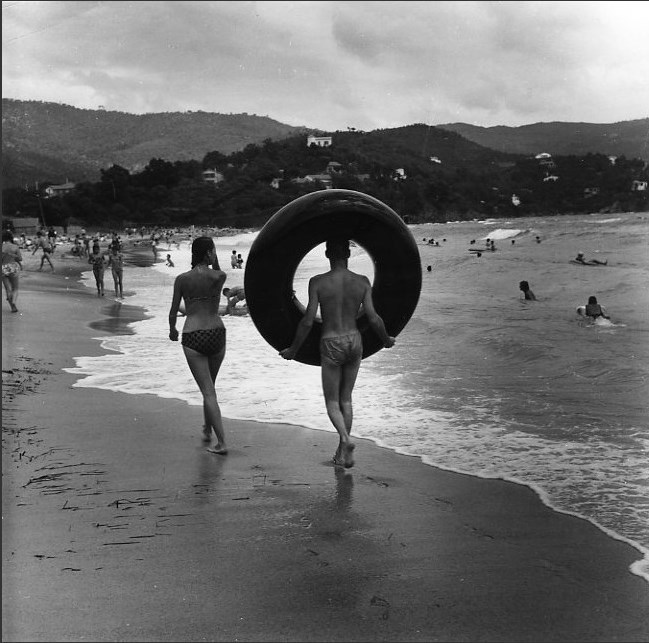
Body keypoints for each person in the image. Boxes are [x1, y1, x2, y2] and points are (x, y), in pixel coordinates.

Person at [279, 238, 395, 469]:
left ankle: (345, 439)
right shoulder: (362, 281)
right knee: (346, 399)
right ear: (348, 255)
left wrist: (293, 349)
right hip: (354, 340)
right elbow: (373, 317)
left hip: (331, 342)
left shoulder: (317, 282)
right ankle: (343, 454)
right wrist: (386, 339)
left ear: (327, 255)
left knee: (332, 402)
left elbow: (308, 320)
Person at [168, 236, 228, 455]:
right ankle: (207, 429)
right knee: (210, 386)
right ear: (209, 253)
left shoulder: (182, 279)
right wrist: (214, 259)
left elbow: (173, 310)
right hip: (217, 333)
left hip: (193, 335)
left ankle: (222, 443)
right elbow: (218, 271)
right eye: (213, 251)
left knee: (208, 391)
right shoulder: (219, 276)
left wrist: (172, 330)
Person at [2, 230, 23, 312]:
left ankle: (12, 306)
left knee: (8, 289)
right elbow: (20, 258)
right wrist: (13, 255)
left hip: (3, 268)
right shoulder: (15, 247)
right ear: (11, 237)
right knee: (15, 288)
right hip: (13, 267)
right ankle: (13, 302)